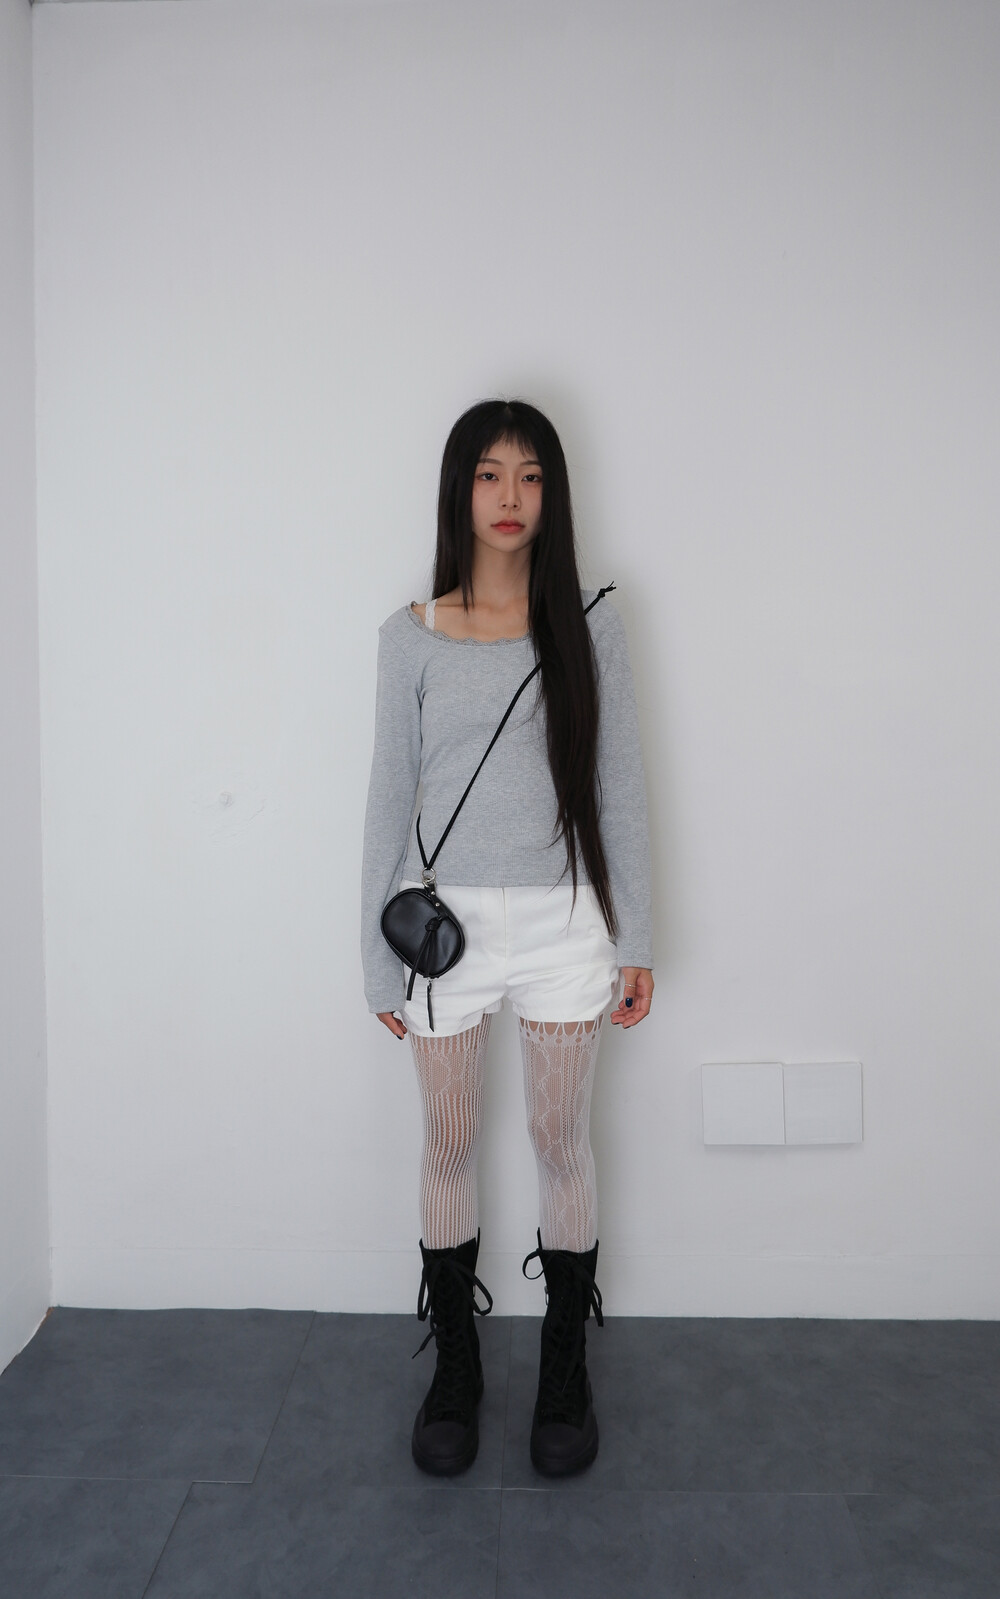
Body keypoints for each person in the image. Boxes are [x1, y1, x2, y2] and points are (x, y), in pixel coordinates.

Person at [360, 397, 654, 1479]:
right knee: (446, 1142)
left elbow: (619, 789)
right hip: (445, 935)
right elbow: (386, 802)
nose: (510, 497)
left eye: (530, 476)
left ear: (552, 493)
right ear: (460, 488)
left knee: (560, 1141)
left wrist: (638, 937)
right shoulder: (409, 635)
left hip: (567, 924)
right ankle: (458, 1371)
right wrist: (372, 960)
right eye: (489, 474)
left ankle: (564, 1372)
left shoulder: (589, 624)